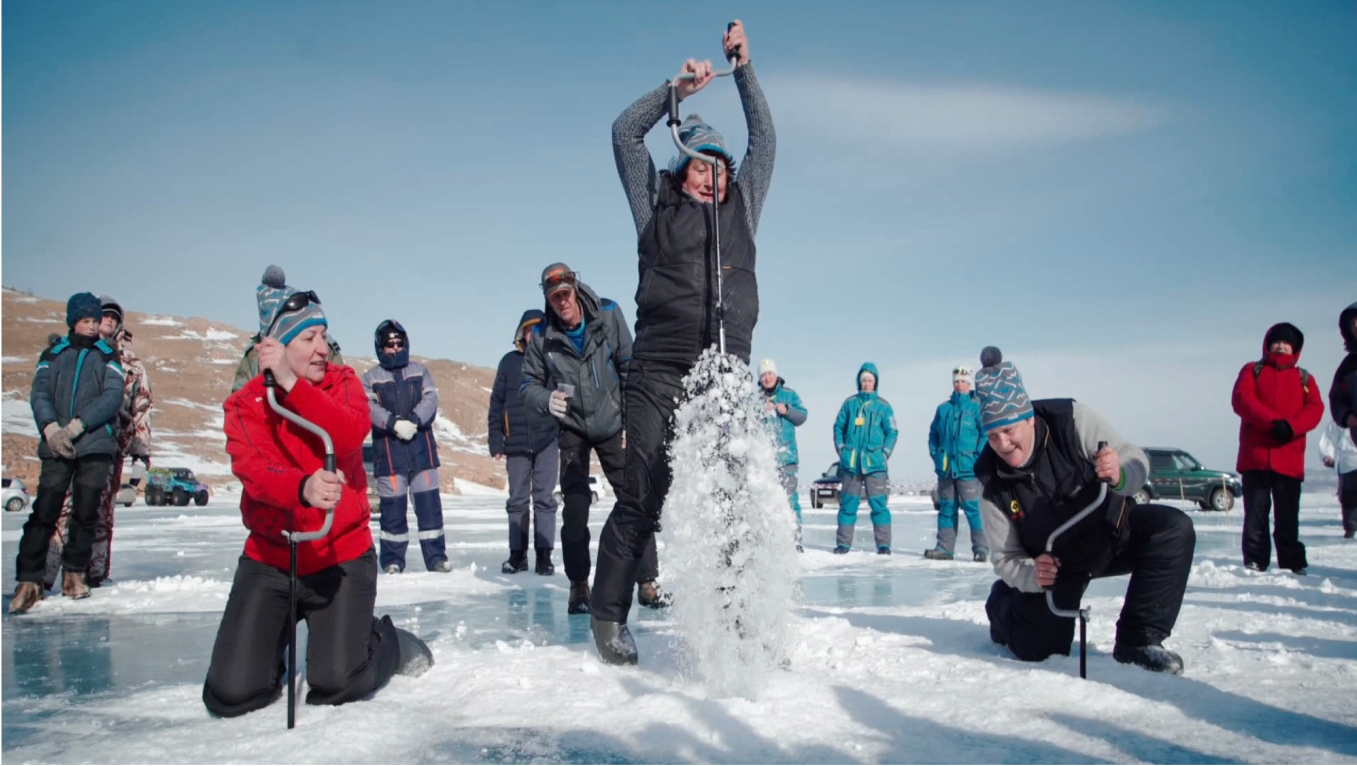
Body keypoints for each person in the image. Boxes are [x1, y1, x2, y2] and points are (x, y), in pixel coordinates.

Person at [590, 19, 776, 664]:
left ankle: (738, 623)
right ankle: (607, 615)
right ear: (683, 167)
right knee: (643, 492)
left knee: (732, 503)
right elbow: (622, 132)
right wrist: (677, 92)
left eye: (718, 168)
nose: (711, 177)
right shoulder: (654, 203)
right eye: (700, 165)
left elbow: (767, 141)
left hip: (725, 372)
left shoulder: (742, 208)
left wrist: (744, 70)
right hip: (660, 370)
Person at [202, 280, 431, 717]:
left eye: (324, 335)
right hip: (273, 558)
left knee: (337, 680)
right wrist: (300, 488)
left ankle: (390, 643)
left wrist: (293, 384)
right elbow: (253, 472)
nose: (323, 347)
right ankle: (269, 646)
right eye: (308, 338)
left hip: (339, 557)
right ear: (274, 345)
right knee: (232, 693)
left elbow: (347, 434)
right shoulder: (244, 405)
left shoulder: (344, 384)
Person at [975, 347, 1196, 675]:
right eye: (993, 436)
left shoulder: (1070, 419)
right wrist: (1031, 574)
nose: (1003, 445)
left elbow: (1133, 457)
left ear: (1028, 418)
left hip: (1110, 533)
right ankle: (1001, 606)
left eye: (1009, 431)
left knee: (1172, 528)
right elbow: (1006, 557)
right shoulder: (991, 481)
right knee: (1042, 649)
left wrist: (1120, 471)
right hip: (1058, 566)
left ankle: (1139, 640)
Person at [522, 264, 668, 615]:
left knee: (636, 502)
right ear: (548, 299)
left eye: (565, 293)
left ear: (575, 287)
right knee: (574, 511)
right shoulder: (542, 336)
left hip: (613, 424)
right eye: (554, 297)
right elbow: (527, 386)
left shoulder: (608, 314)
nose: (562, 302)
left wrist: (632, 425)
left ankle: (647, 582)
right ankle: (578, 586)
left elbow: (630, 368)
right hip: (572, 427)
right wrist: (546, 400)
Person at [10, 293, 126, 613]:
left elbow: (112, 397)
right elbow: (40, 393)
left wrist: (78, 426)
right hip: (56, 445)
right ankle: (29, 578)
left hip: (94, 445)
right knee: (44, 511)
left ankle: (75, 574)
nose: (92, 327)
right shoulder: (53, 353)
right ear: (73, 321)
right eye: (86, 321)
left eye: (95, 321)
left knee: (85, 513)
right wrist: (50, 428)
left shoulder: (108, 356)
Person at [44, 295, 154, 589]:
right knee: (61, 510)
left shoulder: (131, 364)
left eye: (112, 317)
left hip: (110, 449)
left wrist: (139, 459)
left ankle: (92, 575)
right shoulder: (72, 354)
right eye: (101, 315)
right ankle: (44, 576)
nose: (107, 320)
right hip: (73, 444)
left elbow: (141, 409)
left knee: (100, 514)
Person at [1232, 323, 1325, 574]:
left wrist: (1291, 427)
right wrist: (1272, 422)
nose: (1281, 345)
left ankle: (1292, 561)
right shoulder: (1252, 370)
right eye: (1277, 341)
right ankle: (1254, 559)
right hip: (1256, 457)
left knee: (1287, 516)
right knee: (1255, 515)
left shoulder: (1304, 378)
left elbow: (1315, 409)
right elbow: (1242, 400)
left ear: (1295, 348)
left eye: (1287, 342)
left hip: (1289, 460)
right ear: (1267, 344)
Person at [361, 320, 450, 574]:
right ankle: (392, 561)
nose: (395, 348)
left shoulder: (420, 371)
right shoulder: (370, 378)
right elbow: (367, 407)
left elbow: (431, 400)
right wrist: (392, 423)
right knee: (392, 511)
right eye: (389, 344)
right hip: (390, 455)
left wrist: (413, 420)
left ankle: (437, 559)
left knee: (430, 508)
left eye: (399, 343)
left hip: (422, 453)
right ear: (381, 347)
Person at [488, 309, 560, 575]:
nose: (534, 334)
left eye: (539, 329)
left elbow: (566, 399)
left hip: (547, 441)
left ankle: (544, 557)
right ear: (522, 333)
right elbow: (496, 404)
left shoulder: (555, 361)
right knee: (517, 500)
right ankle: (517, 556)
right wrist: (496, 440)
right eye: (530, 330)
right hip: (515, 442)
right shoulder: (508, 363)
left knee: (545, 500)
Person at [232, 265, 343, 393]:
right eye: (309, 338)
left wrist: (290, 382)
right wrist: (263, 387)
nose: (323, 350)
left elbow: (345, 409)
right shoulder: (254, 357)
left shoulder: (341, 374)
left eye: (323, 336)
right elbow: (239, 404)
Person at [831, 363, 898, 554]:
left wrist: (885, 453)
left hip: (875, 464)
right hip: (851, 464)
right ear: (859, 383)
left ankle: (884, 546)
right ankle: (843, 545)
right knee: (847, 506)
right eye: (864, 381)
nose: (866, 384)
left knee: (879, 506)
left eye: (870, 380)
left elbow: (892, 431)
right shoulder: (850, 404)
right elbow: (838, 427)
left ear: (875, 382)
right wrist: (842, 449)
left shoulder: (883, 407)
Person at [925, 365, 987, 562]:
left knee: (973, 509)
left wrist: (977, 458)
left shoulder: (976, 408)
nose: (960, 385)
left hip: (968, 469)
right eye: (957, 381)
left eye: (963, 381)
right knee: (946, 508)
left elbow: (984, 436)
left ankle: (981, 549)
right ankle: (944, 548)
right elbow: (933, 435)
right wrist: (936, 454)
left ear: (969, 384)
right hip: (945, 469)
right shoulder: (943, 409)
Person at [758, 359, 807, 551]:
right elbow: (745, 422)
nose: (767, 377)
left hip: (787, 460)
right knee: (766, 504)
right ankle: (772, 544)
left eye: (770, 374)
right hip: (765, 463)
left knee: (789, 501)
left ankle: (795, 542)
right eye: (763, 375)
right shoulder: (756, 399)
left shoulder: (789, 395)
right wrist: (758, 411)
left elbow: (802, 416)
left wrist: (786, 411)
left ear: (776, 375)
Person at [1318, 419, 1357, 539]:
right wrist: (1327, 456)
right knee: (1348, 497)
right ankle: (1350, 527)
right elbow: (1328, 439)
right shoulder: (1341, 420)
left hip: (1348, 463)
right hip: (1348, 463)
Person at [1330, 302, 1357, 444]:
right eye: (1352, 323)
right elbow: (1337, 398)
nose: (1356, 326)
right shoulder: (1348, 366)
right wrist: (1347, 417)